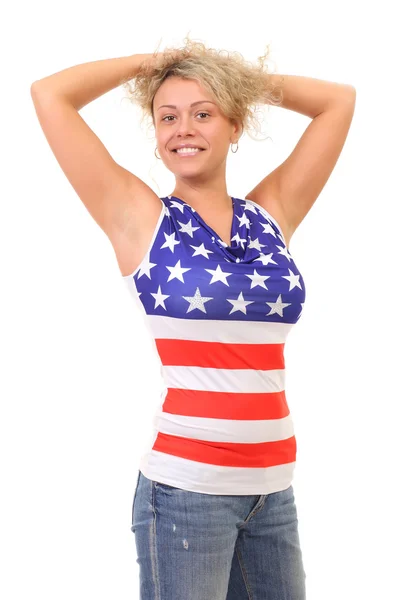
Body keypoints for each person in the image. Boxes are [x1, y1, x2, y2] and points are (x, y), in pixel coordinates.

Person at [31, 34, 356, 600]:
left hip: (273, 493)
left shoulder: (270, 216)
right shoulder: (142, 219)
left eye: (204, 114)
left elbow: (339, 101)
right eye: (168, 117)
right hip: (186, 494)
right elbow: (50, 94)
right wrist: (154, 64)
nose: (184, 128)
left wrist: (225, 76)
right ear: (156, 136)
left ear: (235, 127)